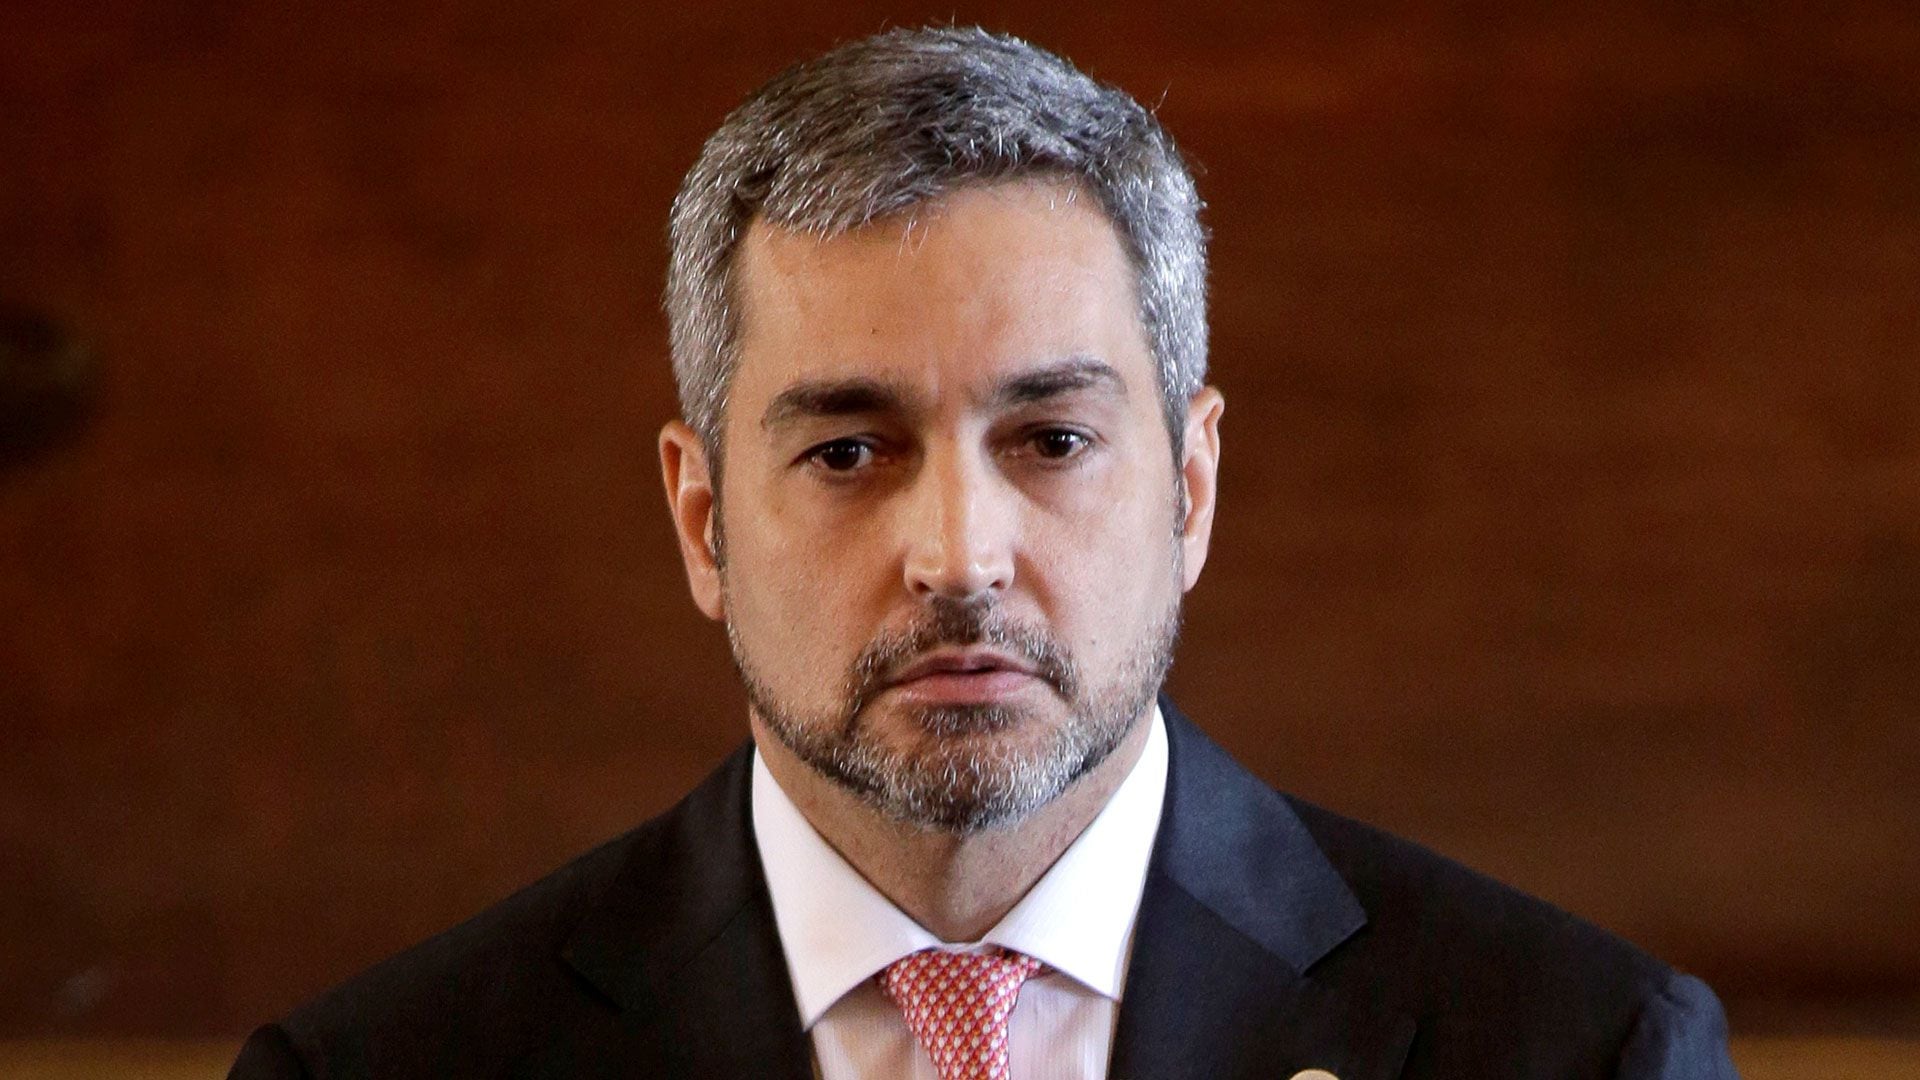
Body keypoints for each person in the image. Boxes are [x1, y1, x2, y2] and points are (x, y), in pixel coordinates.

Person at [229, 26, 1738, 1080]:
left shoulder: (1582, 1052)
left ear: (1192, 486)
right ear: (701, 519)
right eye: (848, 451)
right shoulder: (381, 1070)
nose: (959, 556)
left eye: (1053, 440)